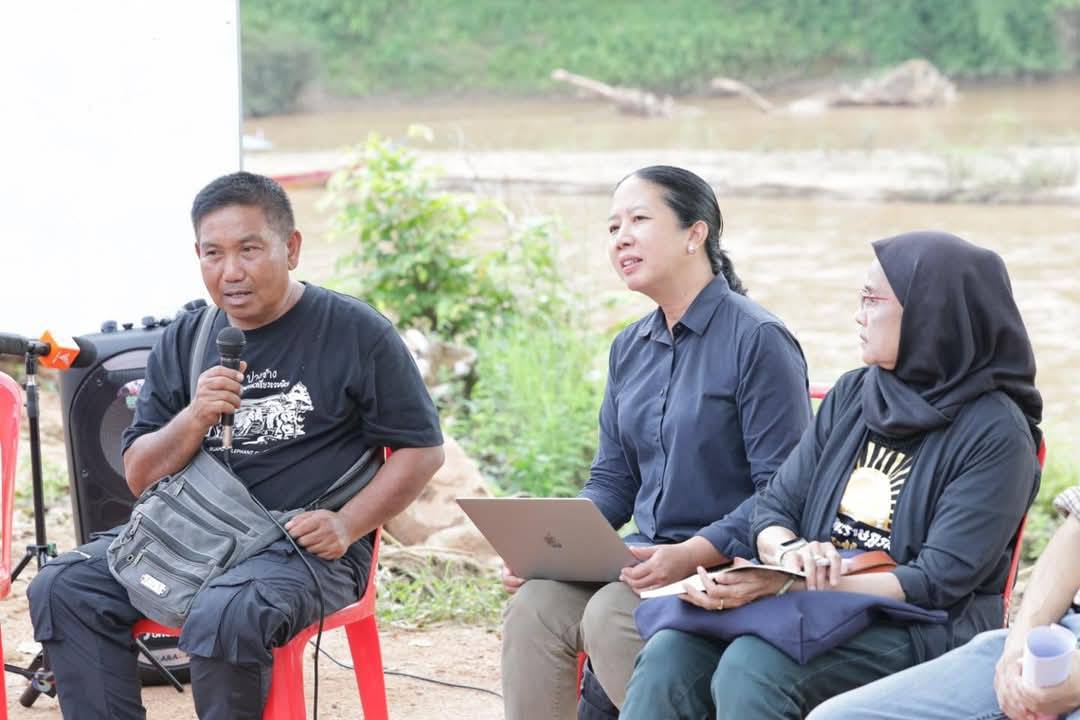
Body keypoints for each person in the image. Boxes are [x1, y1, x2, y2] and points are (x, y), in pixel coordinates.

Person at [26, 171, 445, 719]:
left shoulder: (356, 332)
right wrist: (196, 416)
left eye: (249, 250)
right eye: (213, 253)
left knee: (226, 613)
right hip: (192, 535)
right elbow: (139, 474)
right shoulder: (187, 338)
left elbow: (421, 449)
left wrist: (347, 524)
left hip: (301, 546)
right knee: (64, 586)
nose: (231, 272)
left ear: (291, 248)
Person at [619, 230, 1043, 720]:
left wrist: (789, 585)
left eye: (872, 300)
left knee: (755, 668)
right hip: (812, 604)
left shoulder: (996, 433)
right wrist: (786, 556)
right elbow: (775, 507)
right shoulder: (855, 394)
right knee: (671, 654)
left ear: (932, 313)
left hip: (919, 624)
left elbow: (935, 581)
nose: (858, 315)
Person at [500, 165, 813, 719]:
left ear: (696, 234)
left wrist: (693, 552)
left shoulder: (758, 339)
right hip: (644, 557)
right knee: (537, 603)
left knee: (613, 611)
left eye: (639, 220)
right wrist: (554, 547)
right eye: (613, 226)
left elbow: (784, 492)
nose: (621, 238)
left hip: (729, 565)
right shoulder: (630, 347)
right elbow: (613, 480)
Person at [807, 483, 1080, 720]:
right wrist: (1018, 648)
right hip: (1059, 635)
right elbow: (1075, 533)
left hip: (929, 616)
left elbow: (937, 578)